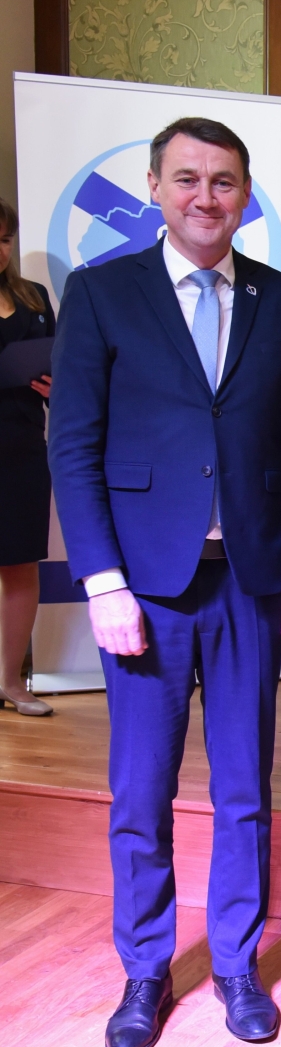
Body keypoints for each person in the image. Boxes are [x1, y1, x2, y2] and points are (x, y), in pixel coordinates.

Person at [48, 117, 281, 1047]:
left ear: (246, 195)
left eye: (225, 181)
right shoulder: (101, 294)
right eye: (189, 179)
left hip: (250, 580)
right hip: (144, 587)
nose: (207, 196)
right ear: (156, 188)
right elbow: (73, 447)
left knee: (245, 787)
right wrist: (102, 581)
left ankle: (237, 965)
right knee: (140, 791)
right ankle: (145, 969)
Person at [0, 198, 55, 716]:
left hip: (22, 450)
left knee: (20, 565)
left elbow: (58, 366)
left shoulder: (33, 297)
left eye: (4, 239)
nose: (0, 250)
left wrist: (56, 387)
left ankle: (11, 682)